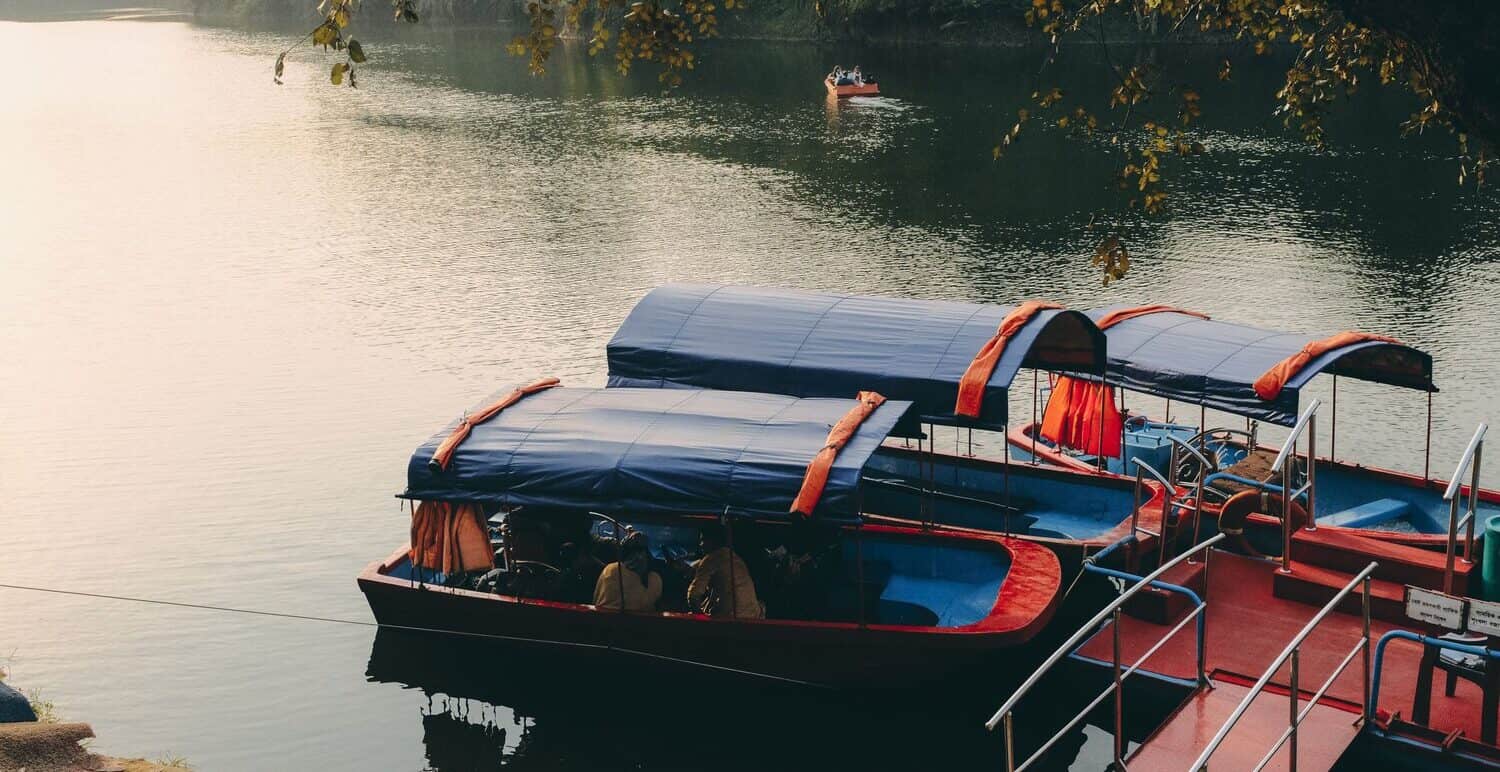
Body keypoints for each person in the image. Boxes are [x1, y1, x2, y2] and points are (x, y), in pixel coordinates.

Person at [686, 522, 764, 619]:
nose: (701, 544)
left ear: (712, 541)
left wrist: (700, 617)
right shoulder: (732, 556)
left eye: (703, 540)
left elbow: (693, 595)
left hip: (731, 619)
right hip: (752, 616)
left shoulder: (711, 559)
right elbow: (698, 565)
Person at [594, 530, 663, 612]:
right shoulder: (655, 579)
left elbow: (595, 599)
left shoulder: (610, 569)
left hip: (601, 621)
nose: (638, 558)